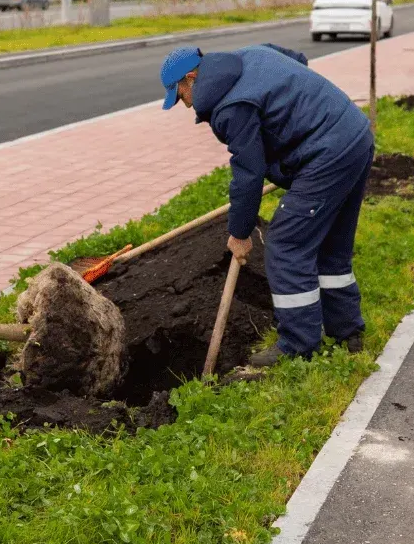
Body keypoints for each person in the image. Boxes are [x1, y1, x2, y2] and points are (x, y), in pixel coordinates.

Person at [160, 44, 374, 366]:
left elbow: (249, 173)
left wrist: (240, 232)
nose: (184, 104)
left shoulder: (228, 107)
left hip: (326, 154)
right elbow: (298, 60)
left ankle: (299, 346)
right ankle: (348, 333)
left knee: (287, 244)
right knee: (332, 246)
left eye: (179, 95)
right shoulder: (251, 53)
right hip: (354, 133)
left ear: (191, 77)